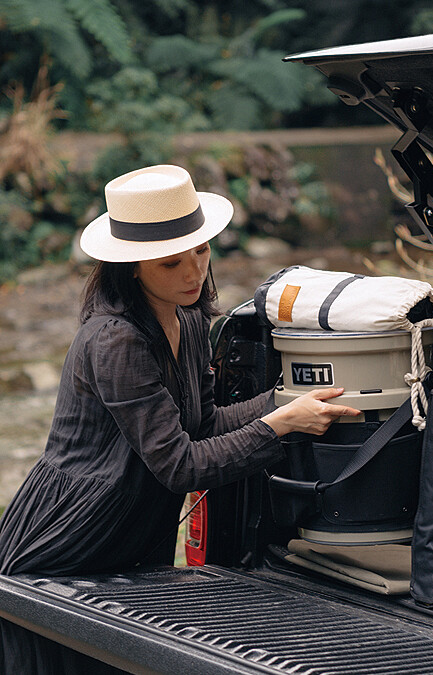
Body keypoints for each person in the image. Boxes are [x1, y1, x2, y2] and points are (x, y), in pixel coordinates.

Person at [0, 164, 360, 671]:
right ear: (132, 268)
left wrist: (282, 401)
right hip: (70, 537)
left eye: (201, 250)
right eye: (171, 263)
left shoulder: (188, 316)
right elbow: (180, 466)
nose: (193, 272)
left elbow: (205, 425)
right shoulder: (116, 339)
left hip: (131, 532)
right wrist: (280, 425)